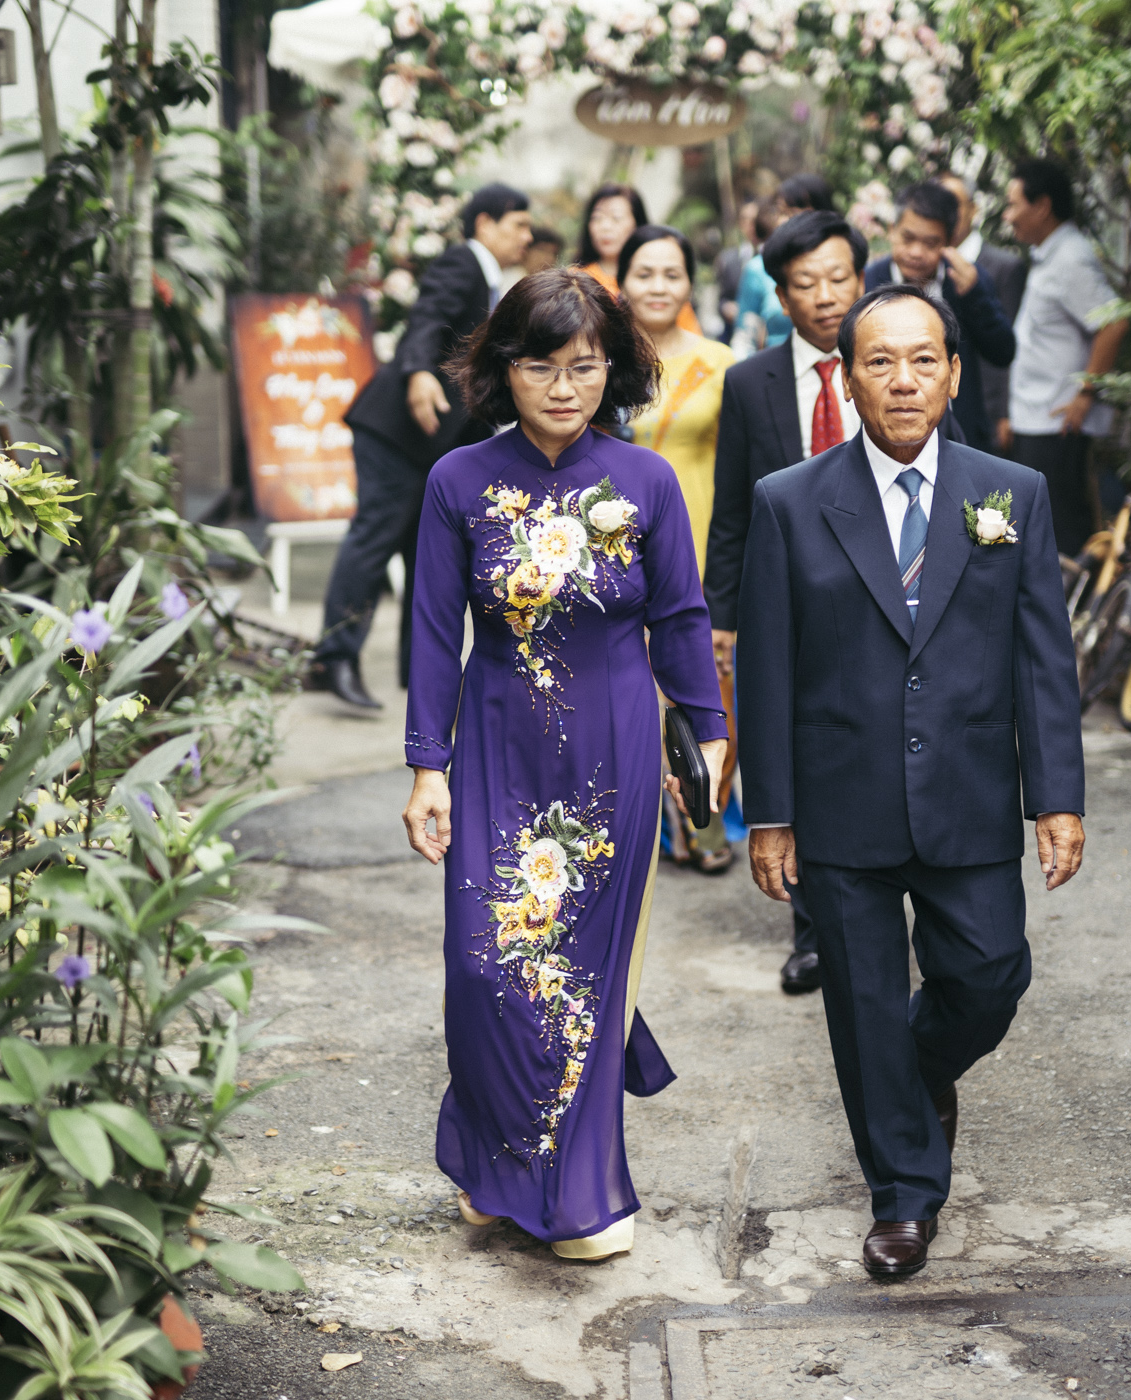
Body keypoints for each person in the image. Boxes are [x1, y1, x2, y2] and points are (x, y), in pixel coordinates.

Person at [733, 283, 1086, 1280]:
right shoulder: (790, 501)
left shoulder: (1010, 493)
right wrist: (770, 814)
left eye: (923, 359)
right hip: (840, 794)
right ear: (848, 379)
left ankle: (913, 1072)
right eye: (880, 362)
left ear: (953, 374)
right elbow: (767, 667)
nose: (903, 380)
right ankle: (903, 1195)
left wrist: (1057, 796)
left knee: (990, 972)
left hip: (969, 791)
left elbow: (1043, 658)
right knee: (862, 1002)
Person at [399, 268, 729, 1261]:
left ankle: (579, 1194)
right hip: (497, 742)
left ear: (610, 371)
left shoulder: (645, 481)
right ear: (505, 368)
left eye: (584, 367)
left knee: (582, 971)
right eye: (541, 366)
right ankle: (495, 1156)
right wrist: (427, 765)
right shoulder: (458, 482)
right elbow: (432, 634)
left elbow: (682, 617)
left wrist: (709, 729)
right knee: (485, 966)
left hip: (613, 750)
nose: (563, 387)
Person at [703, 209, 964, 995]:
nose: (824, 295)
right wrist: (723, 618)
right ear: (780, 295)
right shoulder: (748, 382)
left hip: (896, 591)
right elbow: (733, 512)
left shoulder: (908, 371)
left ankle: (911, 903)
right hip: (797, 601)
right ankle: (817, 932)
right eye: (804, 283)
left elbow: (957, 473)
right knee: (805, 752)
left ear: (861, 277)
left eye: (838, 278)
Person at [323, 183, 533, 710]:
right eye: (519, 225)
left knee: (428, 558)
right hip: (397, 432)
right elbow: (426, 316)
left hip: (435, 446)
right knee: (374, 539)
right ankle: (333, 658)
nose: (527, 237)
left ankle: (420, 673)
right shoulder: (464, 262)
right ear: (484, 224)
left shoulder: (493, 281)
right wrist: (418, 372)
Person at [619, 224, 740, 874]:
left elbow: (740, 467)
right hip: (617, 544)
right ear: (622, 281)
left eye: (672, 273)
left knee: (702, 683)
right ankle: (651, 825)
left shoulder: (721, 362)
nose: (659, 286)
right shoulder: (600, 363)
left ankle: (706, 819)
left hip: (698, 539)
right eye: (645, 273)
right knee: (634, 689)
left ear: (690, 282)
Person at [1003, 158, 1125, 558]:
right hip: (1036, 419)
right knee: (1039, 531)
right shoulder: (1049, 255)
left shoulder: (1070, 256)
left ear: (1042, 207)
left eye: (1013, 205)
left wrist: (1086, 394)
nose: (1008, 216)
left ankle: (1073, 598)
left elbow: (1114, 321)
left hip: (1056, 424)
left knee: (1062, 534)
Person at [862, 182, 1016, 450]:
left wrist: (974, 295)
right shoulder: (868, 282)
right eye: (908, 238)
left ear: (950, 241)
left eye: (930, 243)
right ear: (892, 230)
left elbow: (1003, 351)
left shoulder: (966, 279)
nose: (916, 252)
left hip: (962, 436)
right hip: (887, 436)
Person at [937, 173, 1028, 452]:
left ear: (973, 209)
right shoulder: (926, 265)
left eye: (954, 203)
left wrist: (1003, 413)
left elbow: (1009, 344)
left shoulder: (1004, 266)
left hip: (987, 415)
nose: (947, 213)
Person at [731, 174, 837, 354]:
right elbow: (744, 338)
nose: (783, 221)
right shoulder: (759, 269)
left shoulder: (842, 262)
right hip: (777, 366)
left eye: (793, 212)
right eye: (780, 212)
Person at [575, 184, 698, 332]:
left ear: (637, 223)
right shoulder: (575, 281)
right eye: (597, 218)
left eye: (616, 218)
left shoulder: (666, 286)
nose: (605, 226)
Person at [714, 200, 758, 342]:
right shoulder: (728, 259)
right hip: (736, 334)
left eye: (755, 219)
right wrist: (726, 308)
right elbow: (722, 299)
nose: (750, 224)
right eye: (745, 219)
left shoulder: (773, 255)